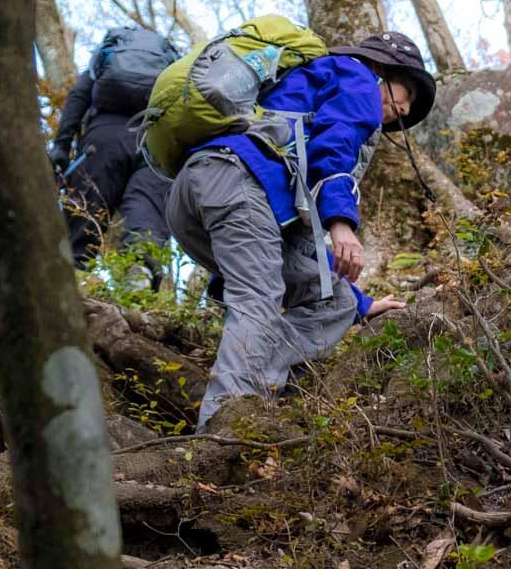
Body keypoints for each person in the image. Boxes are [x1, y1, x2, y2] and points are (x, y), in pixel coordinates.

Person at [165, 31, 436, 430]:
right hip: (240, 182)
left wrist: (362, 304)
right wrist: (341, 223)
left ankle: (251, 373)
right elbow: (337, 144)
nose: (403, 107)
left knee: (335, 301)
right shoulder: (358, 76)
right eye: (405, 91)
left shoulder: (309, 82)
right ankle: (224, 432)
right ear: (383, 68)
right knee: (257, 300)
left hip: (196, 190)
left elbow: (296, 246)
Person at [48, 27, 178, 291]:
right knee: (147, 210)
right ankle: (139, 270)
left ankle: (72, 279)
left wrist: (61, 146)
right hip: (155, 143)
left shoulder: (105, 57)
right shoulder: (170, 64)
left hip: (104, 137)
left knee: (87, 208)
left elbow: (78, 96)